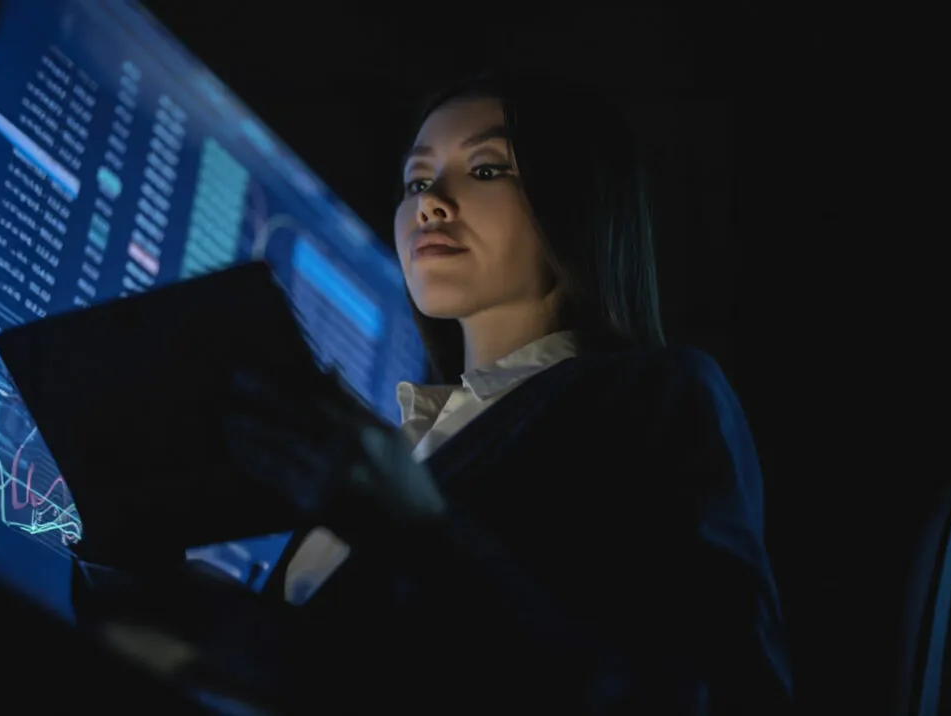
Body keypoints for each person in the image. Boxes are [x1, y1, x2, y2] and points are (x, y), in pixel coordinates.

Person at [214, 72, 795, 713]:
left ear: (578, 201)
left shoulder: (659, 395)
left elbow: (707, 695)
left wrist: (420, 533)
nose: (430, 202)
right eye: (415, 180)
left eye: (486, 170)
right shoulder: (407, 440)